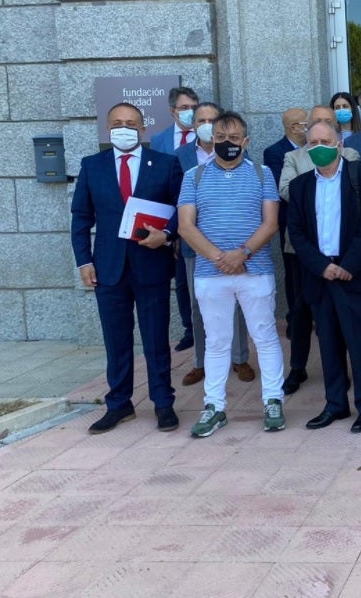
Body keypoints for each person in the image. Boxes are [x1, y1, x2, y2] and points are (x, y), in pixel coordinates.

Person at [71, 102, 183, 434]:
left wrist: (166, 235)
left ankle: (163, 403)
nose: (124, 127)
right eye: (117, 122)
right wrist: (84, 260)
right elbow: (81, 218)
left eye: (131, 122)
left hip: (152, 265)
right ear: (108, 129)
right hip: (107, 269)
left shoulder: (165, 164)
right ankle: (119, 404)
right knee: (116, 341)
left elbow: (182, 209)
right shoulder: (92, 166)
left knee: (155, 338)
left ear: (143, 128)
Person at [177, 111, 287, 437]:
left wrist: (243, 254)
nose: (227, 144)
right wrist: (219, 258)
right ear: (212, 140)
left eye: (234, 138)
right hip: (211, 275)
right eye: (221, 138)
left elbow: (271, 223)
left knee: (265, 337)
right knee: (217, 342)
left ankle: (273, 401)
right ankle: (214, 407)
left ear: (246, 141)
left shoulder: (262, 173)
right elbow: (185, 226)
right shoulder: (193, 176)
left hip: (255, 271)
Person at [288, 121, 361, 433]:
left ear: (339, 143)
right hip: (319, 276)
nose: (319, 147)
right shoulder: (301, 186)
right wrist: (321, 266)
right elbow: (297, 233)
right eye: (312, 142)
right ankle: (335, 404)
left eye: (325, 141)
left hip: (352, 274)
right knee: (328, 345)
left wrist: (348, 264)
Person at [277, 107, 360, 394]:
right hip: (303, 251)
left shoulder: (349, 155)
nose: (321, 128)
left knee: (344, 316)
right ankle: (297, 367)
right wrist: (314, 181)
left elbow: (355, 194)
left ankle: (345, 373)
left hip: (342, 253)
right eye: (316, 123)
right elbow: (286, 189)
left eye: (327, 123)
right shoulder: (293, 157)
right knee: (301, 309)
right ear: (306, 129)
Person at [175, 102, 253, 387]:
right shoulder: (181, 156)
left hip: (236, 248)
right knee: (198, 307)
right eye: (201, 120)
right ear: (193, 124)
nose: (207, 125)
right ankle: (200, 362)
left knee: (237, 305)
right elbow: (177, 202)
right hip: (196, 247)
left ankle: (240, 358)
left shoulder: (240, 153)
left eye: (212, 119)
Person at [150, 85, 198, 352]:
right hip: (169, 216)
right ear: (172, 110)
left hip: (196, 216)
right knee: (180, 280)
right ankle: (189, 329)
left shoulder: (205, 136)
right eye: (184, 108)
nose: (190, 112)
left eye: (194, 107)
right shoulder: (160, 140)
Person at [263, 108, 308, 340]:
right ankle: (295, 319)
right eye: (304, 123)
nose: (307, 126)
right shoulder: (274, 153)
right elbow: (285, 189)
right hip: (290, 222)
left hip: (317, 224)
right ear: (293, 127)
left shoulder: (314, 149)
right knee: (293, 274)